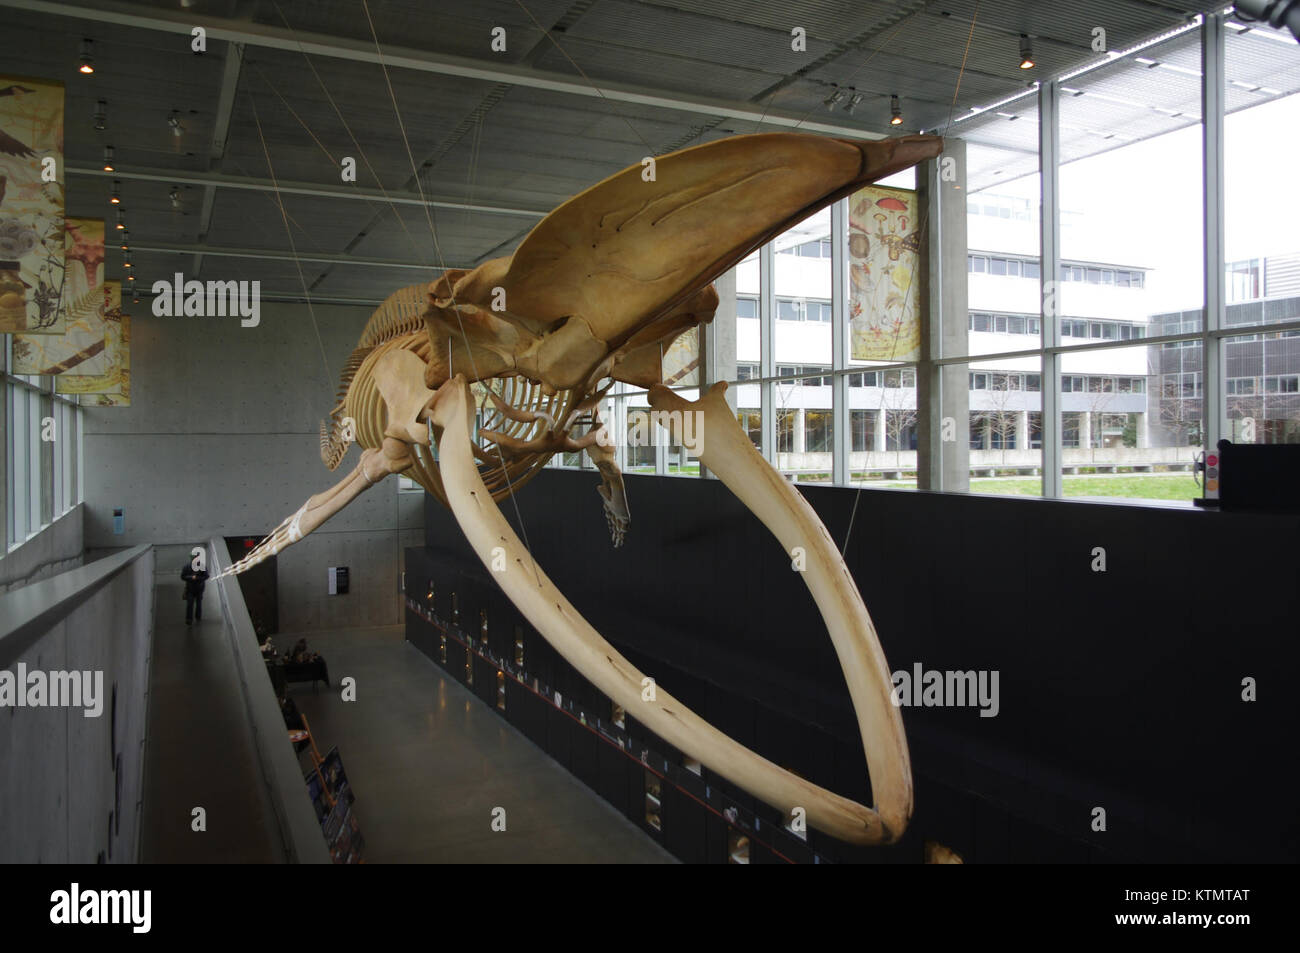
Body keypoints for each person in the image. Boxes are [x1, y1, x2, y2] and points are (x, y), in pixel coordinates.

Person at [181, 559, 209, 625]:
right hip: (193, 589)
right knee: (193, 604)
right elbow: (182, 576)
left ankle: (193, 618)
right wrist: (192, 577)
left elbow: (206, 576)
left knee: (194, 604)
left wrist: (196, 578)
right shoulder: (187, 567)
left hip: (196, 589)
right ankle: (192, 618)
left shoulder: (188, 566)